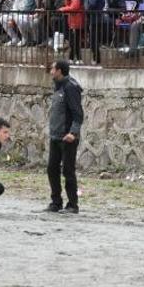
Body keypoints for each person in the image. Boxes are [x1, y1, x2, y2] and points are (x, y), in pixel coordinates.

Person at [47, 59, 84, 214]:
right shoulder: (59, 86)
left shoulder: (70, 88)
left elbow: (78, 114)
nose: (50, 71)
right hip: (55, 136)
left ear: (59, 71)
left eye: (52, 69)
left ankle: (72, 204)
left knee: (68, 171)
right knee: (52, 169)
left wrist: (73, 133)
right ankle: (56, 202)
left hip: (67, 137)